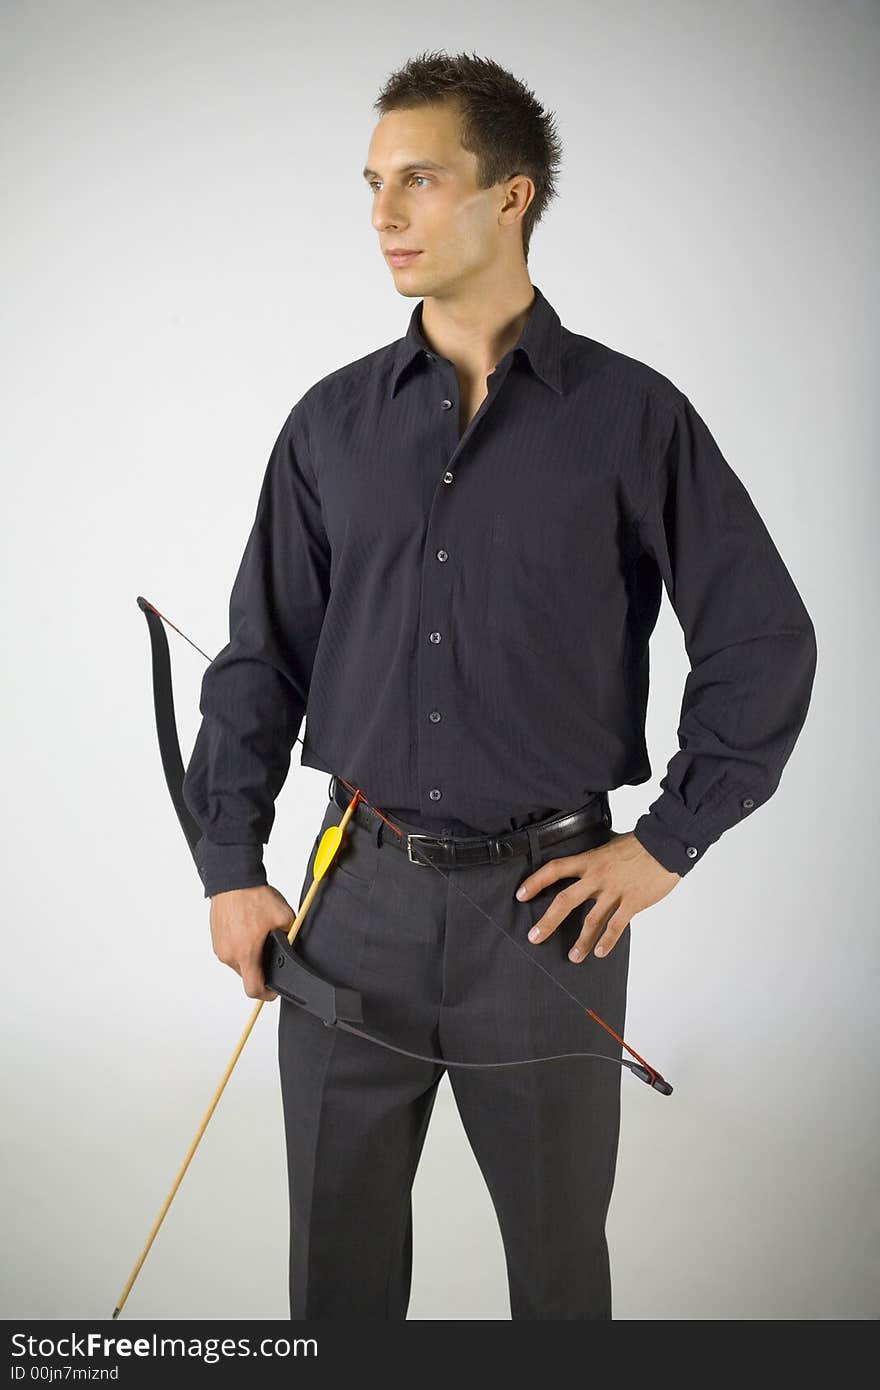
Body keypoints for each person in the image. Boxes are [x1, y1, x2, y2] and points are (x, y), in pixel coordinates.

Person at [181, 51, 817, 1320]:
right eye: (372, 184)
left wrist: (669, 843)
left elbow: (761, 642)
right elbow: (260, 657)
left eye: (419, 179)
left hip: (549, 915)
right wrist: (229, 863)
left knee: (557, 1278)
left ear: (510, 196)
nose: (385, 215)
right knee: (337, 1278)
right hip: (345, 902)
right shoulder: (330, 425)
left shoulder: (634, 418)